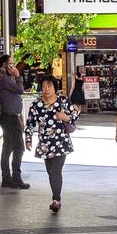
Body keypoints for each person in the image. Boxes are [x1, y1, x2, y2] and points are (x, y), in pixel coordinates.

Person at [25, 75, 78, 213]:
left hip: (61, 142)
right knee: (50, 172)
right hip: (45, 144)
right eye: (43, 86)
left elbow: (74, 115)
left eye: (49, 86)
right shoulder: (37, 105)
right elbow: (30, 123)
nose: (46, 89)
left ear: (55, 87)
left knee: (55, 170)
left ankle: (56, 200)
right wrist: (28, 139)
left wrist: (65, 117)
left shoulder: (63, 101)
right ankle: (56, 197)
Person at [0, 54, 30, 189]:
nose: (13, 67)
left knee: (7, 147)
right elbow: (20, 90)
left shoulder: (6, 78)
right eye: (11, 64)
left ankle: (7, 178)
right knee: (19, 147)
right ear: (4, 65)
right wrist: (18, 76)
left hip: (10, 116)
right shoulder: (2, 78)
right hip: (9, 117)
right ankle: (16, 179)